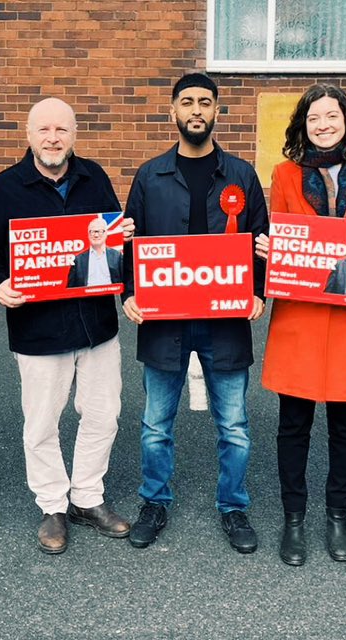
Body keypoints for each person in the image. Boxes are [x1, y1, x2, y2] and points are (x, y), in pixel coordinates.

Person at [253, 84, 346, 566]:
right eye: (313, 118)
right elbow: (285, 235)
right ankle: (293, 520)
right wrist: (270, 253)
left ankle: (337, 516)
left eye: (331, 116)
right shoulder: (282, 174)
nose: (323, 125)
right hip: (301, 314)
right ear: (303, 125)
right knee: (293, 423)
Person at [0, 97, 132, 555]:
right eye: (44, 130)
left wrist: (123, 245)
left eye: (61, 130)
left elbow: (113, 242)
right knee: (42, 423)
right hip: (39, 328)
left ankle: (88, 496)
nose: (52, 138)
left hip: (96, 323)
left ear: (74, 134)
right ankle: (52, 504)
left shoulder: (95, 178)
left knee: (103, 413)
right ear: (29, 135)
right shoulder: (3, 188)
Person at [122, 73, 268, 554]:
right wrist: (128, 294)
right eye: (187, 102)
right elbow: (130, 242)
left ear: (217, 112)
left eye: (206, 102)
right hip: (164, 320)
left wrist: (259, 293)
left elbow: (261, 242)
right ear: (173, 112)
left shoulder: (242, 176)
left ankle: (233, 506)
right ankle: (155, 501)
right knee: (155, 424)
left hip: (226, 322)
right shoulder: (149, 175)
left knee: (234, 425)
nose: (197, 110)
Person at [66, 216, 124, 288]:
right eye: (93, 231)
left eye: (100, 231)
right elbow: (70, 288)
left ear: (106, 233)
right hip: (86, 298)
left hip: (111, 297)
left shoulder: (117, 256)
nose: (96, 235)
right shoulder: (78, 260)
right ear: (88, 234)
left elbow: (125, 281)